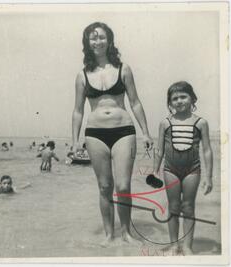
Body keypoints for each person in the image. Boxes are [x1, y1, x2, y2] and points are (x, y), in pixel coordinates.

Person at [72, 22, 153, 246]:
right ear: (87, 43)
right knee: (105, 187)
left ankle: (126, 232)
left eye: (102, 37)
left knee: (124, 186)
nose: (98, 41)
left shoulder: (123, 69)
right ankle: (109, 234)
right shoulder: (82, 75)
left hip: (123, 130)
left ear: (110, 40)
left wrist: (146, 132)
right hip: (95, 133)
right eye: (93, 37)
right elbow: (78, 111)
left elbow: (135, 102)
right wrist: (74, 141)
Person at [153, 81, 213, 255]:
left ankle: (187, 245)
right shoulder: (165, 123)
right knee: (173, 207)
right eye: (175, 98)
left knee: (188, 207)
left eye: (183, 96)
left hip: (192, 170)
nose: (179, 101)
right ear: (169, 103)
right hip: (170, 170)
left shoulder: (201, 123)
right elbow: (160, 150)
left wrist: (209, 177)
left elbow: (207, 150)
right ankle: (173, 245)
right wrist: (155, 171)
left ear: (192, 98)